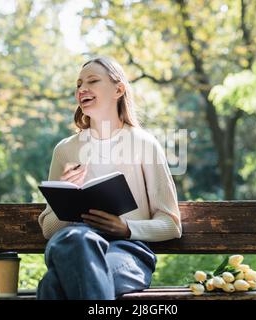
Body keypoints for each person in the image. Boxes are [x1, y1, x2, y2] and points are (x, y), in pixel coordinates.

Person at [36, 56, 182, 300]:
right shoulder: (65, 150)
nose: (82, 89)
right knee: (78, 239)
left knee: (53, 287)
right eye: (79, 84)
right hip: (73, 245)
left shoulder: (144, 144)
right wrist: (65, 193)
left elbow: (171, 224)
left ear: (118, 89)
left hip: (128, 253)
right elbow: (49, 230)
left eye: (92, 81)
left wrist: (125, 228)